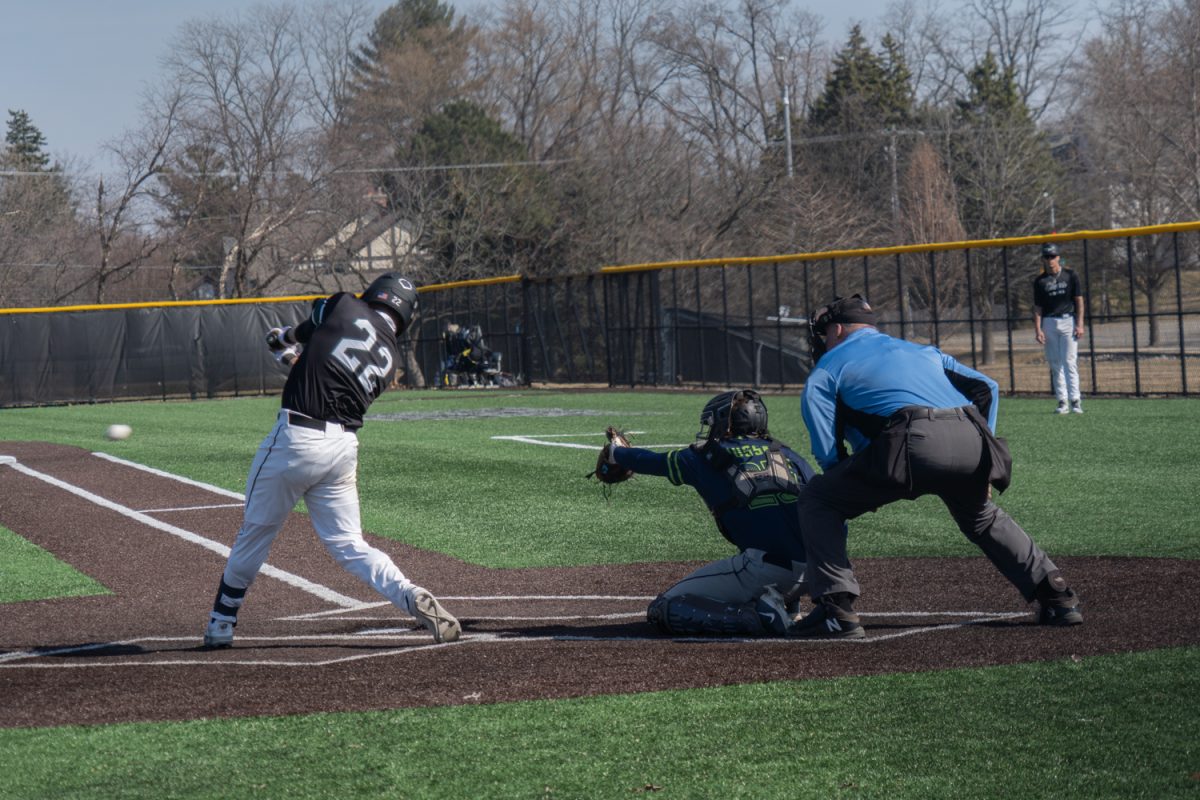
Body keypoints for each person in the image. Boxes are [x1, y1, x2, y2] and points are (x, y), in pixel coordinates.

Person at [792, 294, 1083, 639]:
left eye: (825, 334)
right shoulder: (921, 350)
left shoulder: (828, 366)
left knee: (818, 499)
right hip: (972, 436)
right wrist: (986, 461)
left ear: (837, 330)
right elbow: (986, 387)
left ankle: (835, 610)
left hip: (911, 442)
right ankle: (1057, 595)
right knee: (981, 516)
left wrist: (843, 479)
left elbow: (827, 449)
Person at [202, 273, 461, 648]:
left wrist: (285, 339)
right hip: (342, 449)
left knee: (256, 532)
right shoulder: (391, 359)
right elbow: (327, 371)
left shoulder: (346, 304)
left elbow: (312, 330)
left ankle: (221, 622)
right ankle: (408, 593)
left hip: (296, 437)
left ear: (375, 293)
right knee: (350, 544)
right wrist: (293, 358)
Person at [604, 390, 814, 637]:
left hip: (764, 569)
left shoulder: (705, 457)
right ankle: (795, 606)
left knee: (665, 608)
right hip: (822, 570)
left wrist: (616, 452)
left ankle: (758, 615)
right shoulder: (790, 455)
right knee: (778, 521)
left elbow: (653, 461)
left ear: (725, 423)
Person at [1032, 243, 1085, 414]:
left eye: (1052, 256)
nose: (1050, 260)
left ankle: (1075, 401)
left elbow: (1078, 301)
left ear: (1058, 257)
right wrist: (1038, 329)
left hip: (1068, 321)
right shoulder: (1040, 281)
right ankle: (1062, 401)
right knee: (1055, 363)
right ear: (1043, 259)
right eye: (1046, 257)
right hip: (1049, 322)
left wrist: (1080, 324)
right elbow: (1038, 308)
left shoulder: (1070, 275)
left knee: (1069, 361)